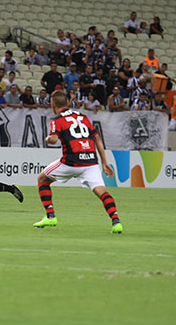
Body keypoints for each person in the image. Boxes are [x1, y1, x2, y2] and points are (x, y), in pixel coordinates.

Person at [32, 91, 122, 233]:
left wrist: (48, 138)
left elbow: (53, 139)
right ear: (67, 103)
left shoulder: (57, 119)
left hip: (71, 162)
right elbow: (97, 137)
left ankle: (50, 216)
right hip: (91, 161)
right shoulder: (82, 116)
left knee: (42, 179)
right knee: (102, 192)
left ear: (52, 104)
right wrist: (104, 162)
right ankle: (116, 221)